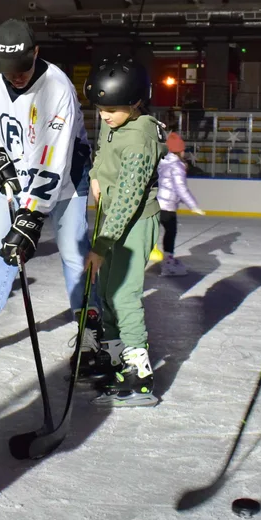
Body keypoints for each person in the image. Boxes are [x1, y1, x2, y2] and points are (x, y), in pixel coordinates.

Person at [0, 19, 95, 362]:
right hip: (17, 173)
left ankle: (90, 324)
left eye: (22, 67)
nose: (15, 75)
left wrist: (30, 217)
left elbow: (53, 158)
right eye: (8, 69)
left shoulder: (57, 88)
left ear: (36, 53)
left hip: (66, 177)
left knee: (73, 251)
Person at [83, 59, 166, 406]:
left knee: (124, 295)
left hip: (134, 221)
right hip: (111, 214)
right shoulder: (115, 121)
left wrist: (100, 245)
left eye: (112, 110)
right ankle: (115, 355)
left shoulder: (141, 137)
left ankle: (139, 372)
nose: (104, 116)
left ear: (135, 103)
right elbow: (103, 149)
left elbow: (130, 199)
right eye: (100, 109)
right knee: (105, 289)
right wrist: (96, 174)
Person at [156, 131, 205, 277]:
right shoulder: (177, 166)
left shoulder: (161, 161)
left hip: (154, 203)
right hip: (167, 206)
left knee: (151, 234)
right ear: (179, 150)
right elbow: (181, 188)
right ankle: (168, 263)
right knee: (170, 233)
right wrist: (193, 205)